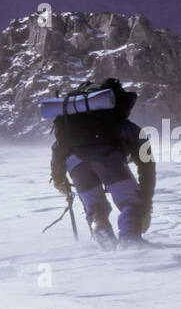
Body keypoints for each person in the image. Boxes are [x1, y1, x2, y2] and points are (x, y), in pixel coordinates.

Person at [48, 78, 155, 248]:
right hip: (108, 159)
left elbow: (57, 149)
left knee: (95, 206)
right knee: (131, 202)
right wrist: (146, 203)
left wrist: (58, 178)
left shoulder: (71, 128)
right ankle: (130, 239)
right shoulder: (125, 127)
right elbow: (147, 165)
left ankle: (100, 228)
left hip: (75, 163)